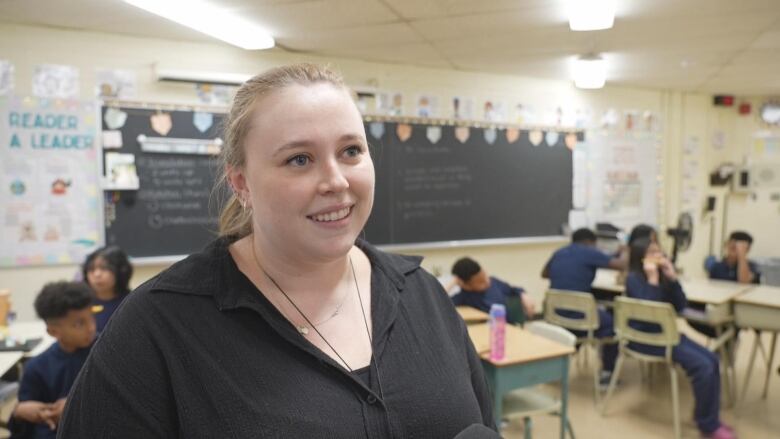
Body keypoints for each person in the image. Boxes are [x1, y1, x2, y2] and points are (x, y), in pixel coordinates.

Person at [59, 63, 494, 438]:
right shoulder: (158, 327)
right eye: (299, 159)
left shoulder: (423, 296)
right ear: (241, 182)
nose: (336, 181)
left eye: (350, 151)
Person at [625, 238, 736, 439]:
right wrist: (652, 280)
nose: (659, 255)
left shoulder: (662, 276)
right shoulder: (633, 279)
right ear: (640, 257)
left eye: (659, 251)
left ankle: (706, 417)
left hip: (668, 336)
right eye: (652, 252)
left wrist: (672, 278)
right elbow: (650, 312)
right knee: (701, 366)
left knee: (712, 360)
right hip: (645, 339)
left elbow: (681, 305)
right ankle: (708, 426)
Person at [9, 281, 95, 439]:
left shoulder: (105, 351)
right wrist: (19, 412)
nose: (91, 327)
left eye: (91, 317)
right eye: (79, 323)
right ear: (53, 331)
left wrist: (76, 406)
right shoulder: (36, 368)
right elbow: (26, 424)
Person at [542, 228, 624, 386]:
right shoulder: (589, 252)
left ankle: (566, 355)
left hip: (557, 316)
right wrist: (624, 250)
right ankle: (607, 374)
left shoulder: (560, 252)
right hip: (581, 316)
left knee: (578, 320)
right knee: (614, 324)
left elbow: (544, 273)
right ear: (589, 242)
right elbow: (621, 265)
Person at [450, 257, 535, 324]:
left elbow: (513, 290)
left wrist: (523, 295)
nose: (487, 282)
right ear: (466, 286)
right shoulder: (465, 295)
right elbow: (442, 302)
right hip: (487, 331)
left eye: (485, 276)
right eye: (481, 282)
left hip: (508, 327)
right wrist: (453, 283)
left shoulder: (494, 282)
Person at [81, 245, 133, 332]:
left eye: (104, 268)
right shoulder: (81, 303)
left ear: (121, 271)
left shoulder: (131, 302)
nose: (97, 274)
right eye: (91, 269)